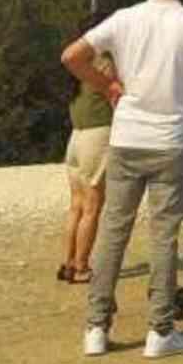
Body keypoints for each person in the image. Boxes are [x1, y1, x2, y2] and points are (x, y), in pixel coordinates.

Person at [61, 0, 183, 360]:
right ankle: (159, 332)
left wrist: (106, 85)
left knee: (114, 231)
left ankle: (96, 327)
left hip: (127, 137)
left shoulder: (124, 19)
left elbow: (71, 56)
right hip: (170, 142)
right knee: (164, 236)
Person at [59, 17, 121, 283]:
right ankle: (82, 265)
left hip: (76, 136)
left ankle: (68, 261)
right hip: (98, 135)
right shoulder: (104, 61)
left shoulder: (78, 65)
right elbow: (119, 96)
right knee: (93, 207)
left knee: (77, 205)